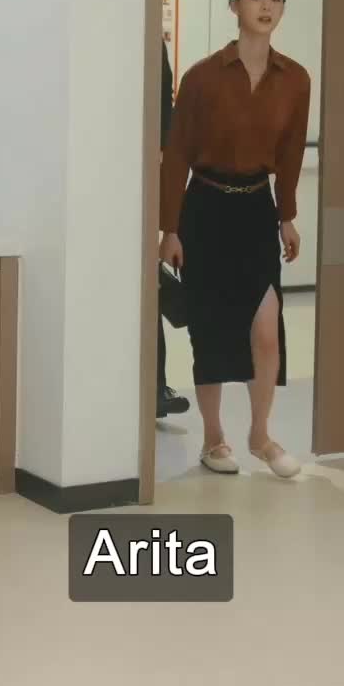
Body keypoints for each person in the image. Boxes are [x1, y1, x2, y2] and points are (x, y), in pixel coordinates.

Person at [159, 0, 310, 478]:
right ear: (234, 6)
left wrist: (287, 217)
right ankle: (213, 438)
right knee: (211, 329)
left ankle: (260, 435)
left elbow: (290, 154)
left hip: (255, 210)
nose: (267, 6)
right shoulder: (202, 77)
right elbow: (177, 154)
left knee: (266, 329)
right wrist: (169, 228)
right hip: (205, 208)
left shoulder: (295, 79)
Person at [157, 36, 190, 419]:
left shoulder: (151, 39)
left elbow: (165, 108)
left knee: (147, 282)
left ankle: (156, 388)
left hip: (145, 175)